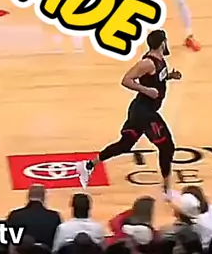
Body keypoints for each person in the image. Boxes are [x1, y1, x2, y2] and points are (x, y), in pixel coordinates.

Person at [76, 29, 181, 196]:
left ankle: (88, 165)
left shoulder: (160, 60)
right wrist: (146, 90)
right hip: (144, 112)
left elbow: (155, 78)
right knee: (167, 147)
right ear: (163, 43)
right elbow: (126, 80)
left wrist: (169, 76)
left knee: (124, 145)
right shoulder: (148, 62)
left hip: (142, 111)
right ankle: (167, 190)